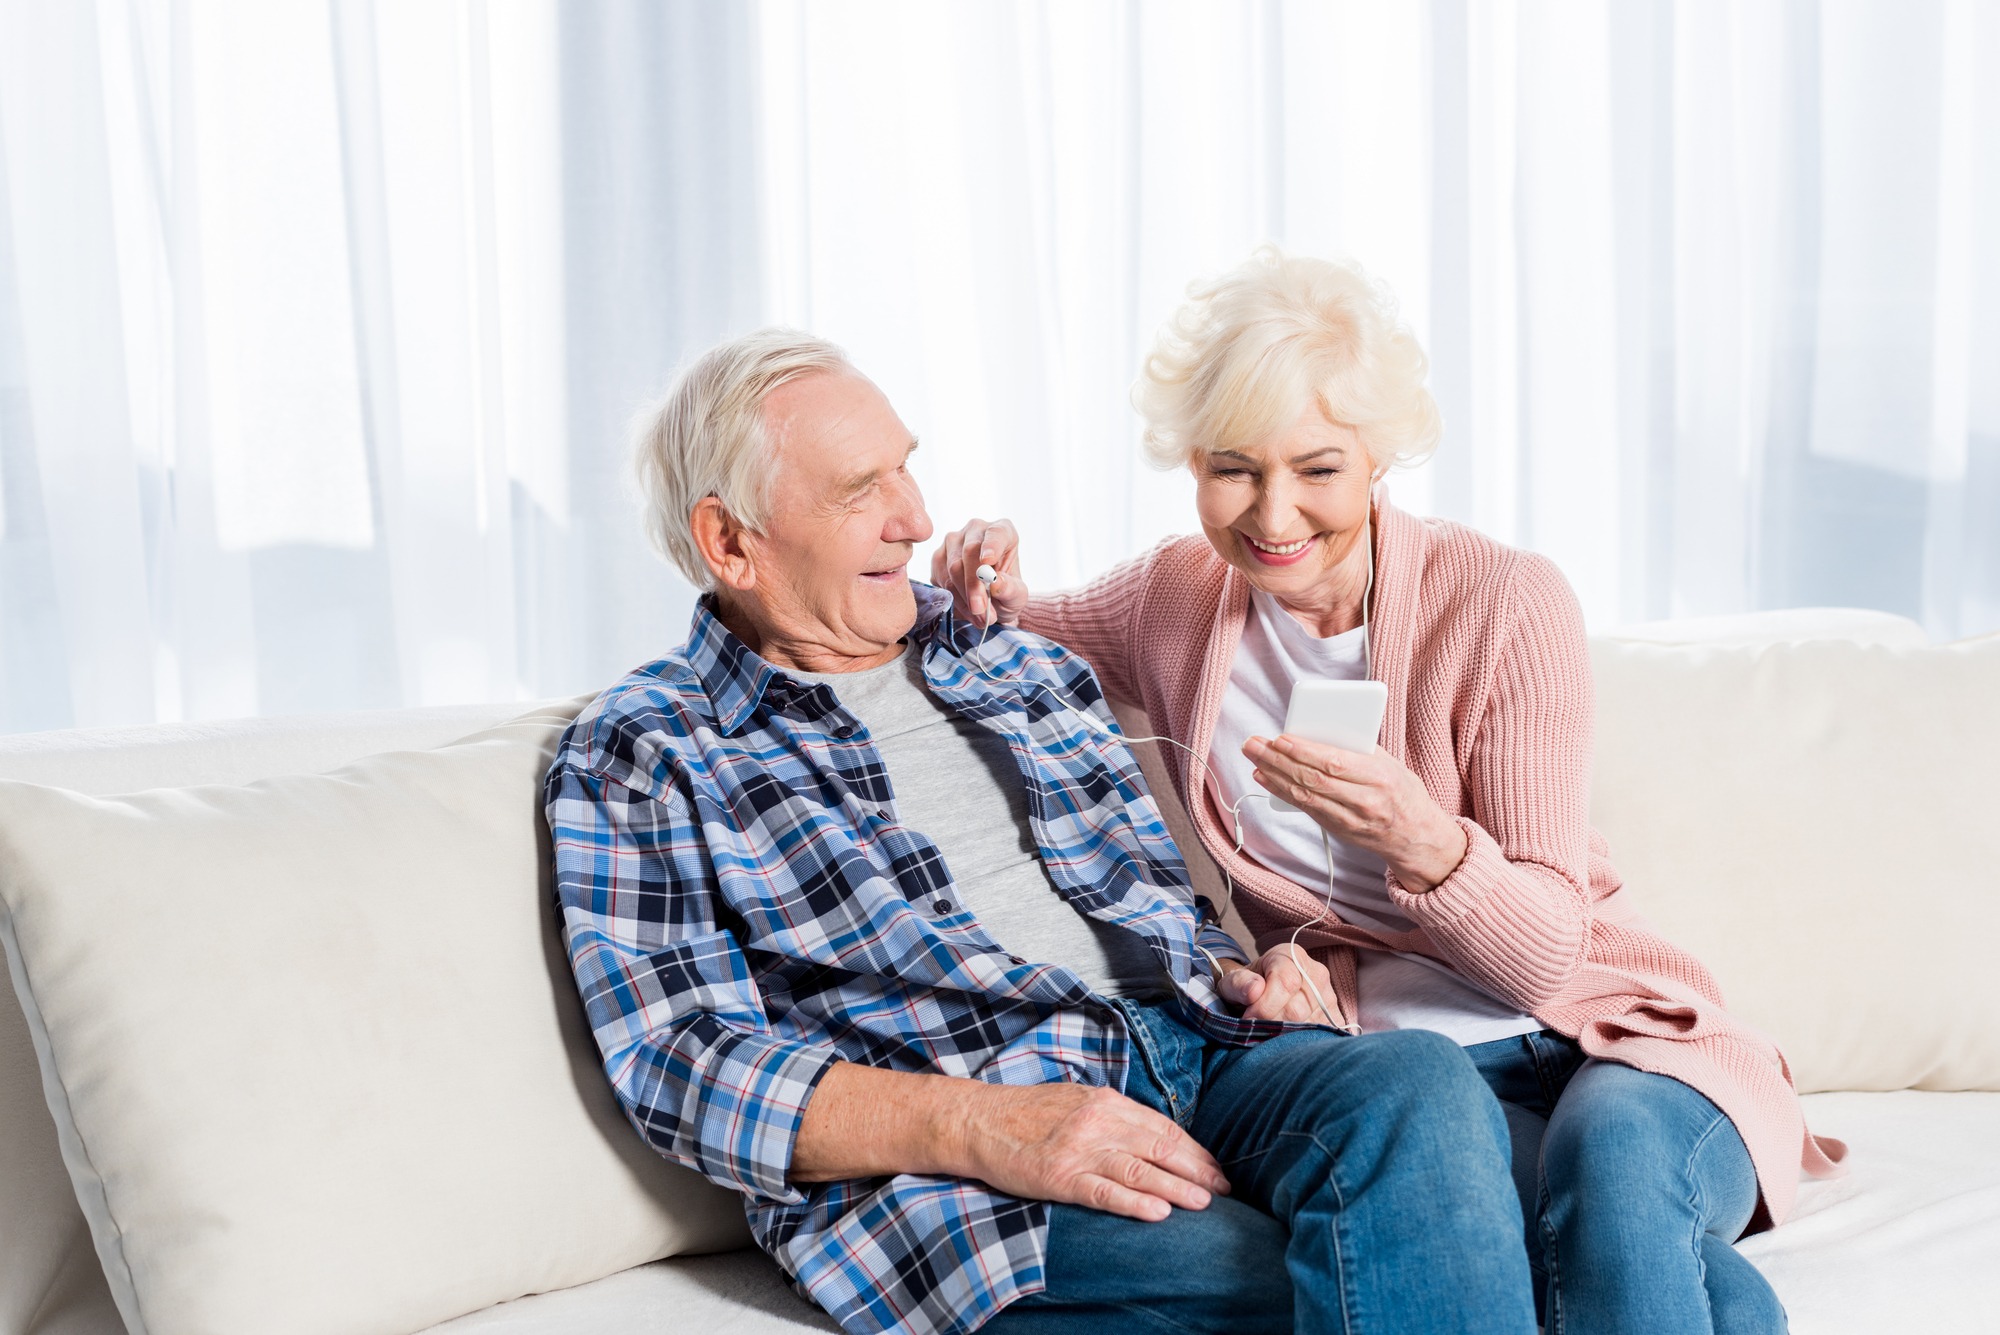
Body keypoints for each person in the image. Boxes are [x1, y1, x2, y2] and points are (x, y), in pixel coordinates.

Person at [544, 329, 1538, 1335]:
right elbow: (679, 1062)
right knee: (1351, 1259)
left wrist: (1250, 971)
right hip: (968, 1153)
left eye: (907, 470)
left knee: (1412, 1080)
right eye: (860, 491)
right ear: (728, 541)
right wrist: (989, 1129)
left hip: (1199, 1056)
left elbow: (1160, 906)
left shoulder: (1015, 665)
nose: (915, 519)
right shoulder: (646, 750)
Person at [934, 247, 1847, 1335]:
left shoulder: (1503, 602)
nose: (1272, 517)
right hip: (1421, 1077)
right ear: (1189, 461)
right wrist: (976, 578)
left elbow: (1547, 954)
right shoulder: (1176, 599)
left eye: (1316, 469)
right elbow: (1009, 631)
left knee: (1606, 1174)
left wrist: (1428, 848)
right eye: (1233, 467)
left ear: (1377, 460)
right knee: (1567, 1254)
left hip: (1611, 1038)